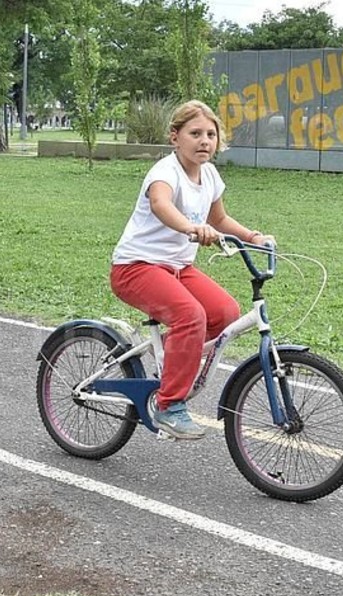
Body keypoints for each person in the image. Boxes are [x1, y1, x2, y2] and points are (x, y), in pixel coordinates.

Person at [109, 100, 274, 440]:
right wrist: (190, 228)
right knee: (191, 316)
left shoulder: (209, 174)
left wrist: (252, 237)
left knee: (225, 312)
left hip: (177, 268)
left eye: (211, 135)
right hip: (136, 267)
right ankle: (168, 405)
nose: (204, 141)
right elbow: (161, 204)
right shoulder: (165, 172)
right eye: (195, 133)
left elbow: (219, 218)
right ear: (175, 137)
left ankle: (172, 360)